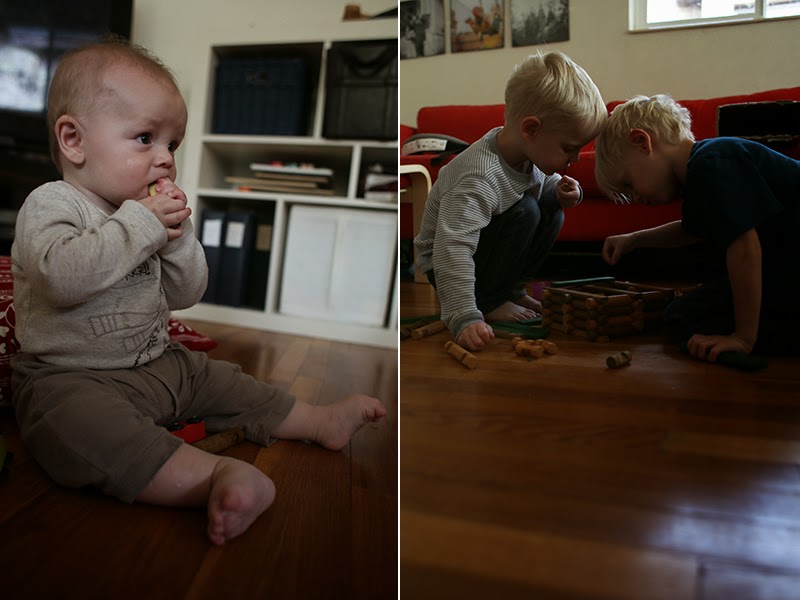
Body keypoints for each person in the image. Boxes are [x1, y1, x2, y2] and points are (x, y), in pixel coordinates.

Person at [10, 39, 386, 546]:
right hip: (70, 376)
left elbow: (187, 292)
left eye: (173, 145)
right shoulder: (53, 203)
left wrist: (179, 238)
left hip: (158, 364)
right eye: (145, 138)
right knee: (74, 427)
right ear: (74, 140)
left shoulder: (146, 216)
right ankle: (209, 477)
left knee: (222, 379)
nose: (165, 159)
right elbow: (60, 277)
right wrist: (142, 225)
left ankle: (318, 420)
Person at [413, 50, 606, 352]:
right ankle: (489, 300)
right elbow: (452, 248)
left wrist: (564, 191)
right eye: (569, 148)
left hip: (480, 254)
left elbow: (539, 182)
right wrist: (463, 315)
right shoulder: (478, 176)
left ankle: (510, 291)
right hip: (445, 263)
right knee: (526, 210)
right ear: (530, 129)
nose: (575, 158)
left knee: (549, 206)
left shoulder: (525, 151)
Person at [594, 94, 800, 361]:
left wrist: (743, 337)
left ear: (643, 143)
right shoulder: (701, 170)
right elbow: (692, 229)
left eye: (629, 184)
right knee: (681, 316)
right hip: (783, 269)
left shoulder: (712, 163)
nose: (636, 197)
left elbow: (746, 249)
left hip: (789, 270)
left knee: (687, 319)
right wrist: (634, 239)